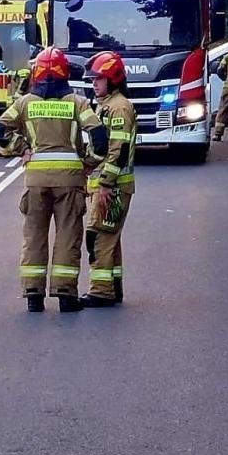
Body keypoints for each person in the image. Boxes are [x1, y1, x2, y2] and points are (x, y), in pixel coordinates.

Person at [0, 47, 105, 314]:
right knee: (68, 235)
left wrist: (21, 147)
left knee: (33, 234)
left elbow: (0, 131)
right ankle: (66, 295)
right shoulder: (77, 103)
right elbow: (100, 139)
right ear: (64, 72)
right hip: (69, 179)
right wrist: (88, 162)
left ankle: (33, 294)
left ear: (36, 72)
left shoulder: (25, 103)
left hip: (35, 180)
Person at [81, 51, 135, 307]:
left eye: (98, 80)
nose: (94, 84)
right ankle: (113, 288)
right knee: (109, 236)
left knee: (99, 236)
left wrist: (105, 185)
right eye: (93, 80)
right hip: (109, 186)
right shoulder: (106, 105)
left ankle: (101, 292)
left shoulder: (118, 108)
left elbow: (118, 151)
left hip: (113, 188)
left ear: (112, 79)